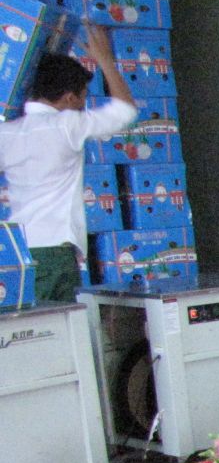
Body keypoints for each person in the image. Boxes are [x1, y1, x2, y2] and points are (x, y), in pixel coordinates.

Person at [0, 29, 135, 303]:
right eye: (84, 96)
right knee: (61, 333)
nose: (84, 104)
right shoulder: (67, 125)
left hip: (16, 250)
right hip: (54, 253)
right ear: (70, 98)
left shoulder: (8, 133)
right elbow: (126, 111)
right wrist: (106, 61)